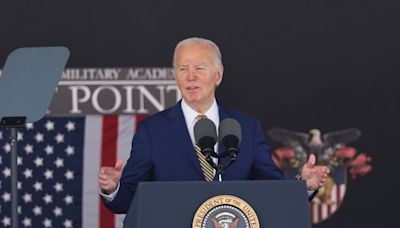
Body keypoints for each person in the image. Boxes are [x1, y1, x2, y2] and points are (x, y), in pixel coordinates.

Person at [98, 37, 329, 214]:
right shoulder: (153, 130)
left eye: (199, 68)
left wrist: (304, 186)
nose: (190, 77)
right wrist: (113, 188)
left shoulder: (246, 128)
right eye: (182, 69)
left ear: (217, 75)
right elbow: (128, 200)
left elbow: (273, 191)